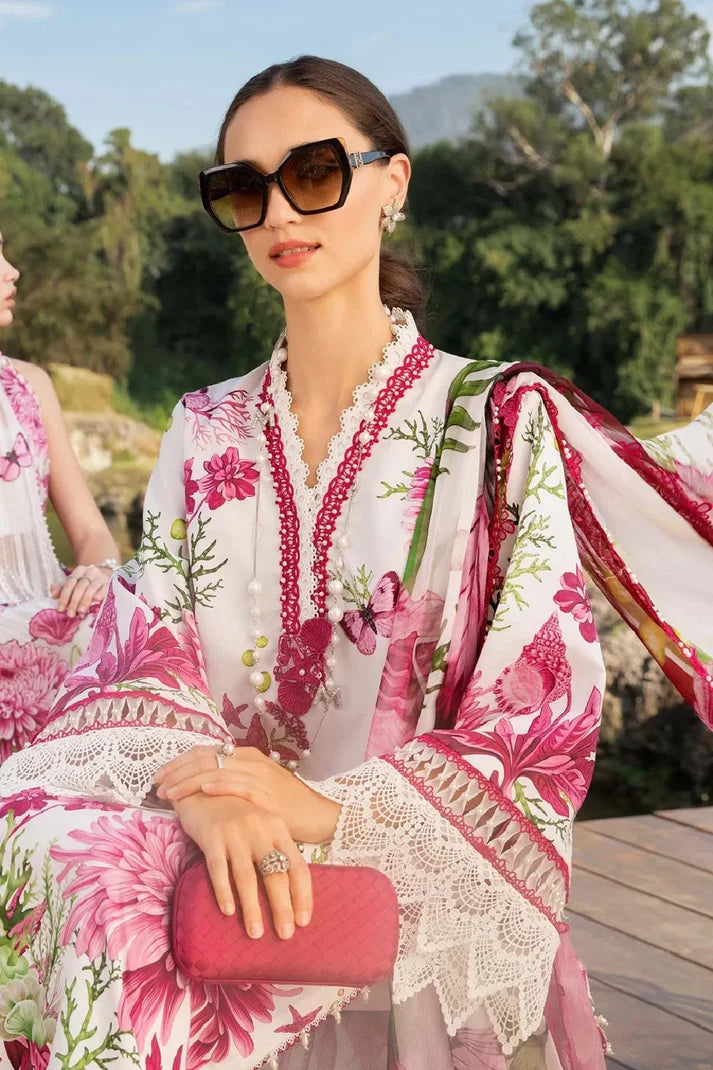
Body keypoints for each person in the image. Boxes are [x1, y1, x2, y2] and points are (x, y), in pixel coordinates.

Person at [1, 56, 713, 1070]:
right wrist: (205, 791)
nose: (279, 211)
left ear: (394, 182)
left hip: (418, 942)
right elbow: (148, 650)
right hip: (216, 923)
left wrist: (324, 808)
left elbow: (536, 720)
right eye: (242, 189)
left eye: (316, 170)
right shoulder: (199, 430)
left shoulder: (495, 423)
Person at [0, 230, 121, 758]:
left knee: (141, 616)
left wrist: (97, 572)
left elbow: (93, 533)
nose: (12, 272)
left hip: (50, 622)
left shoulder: (30, 387)